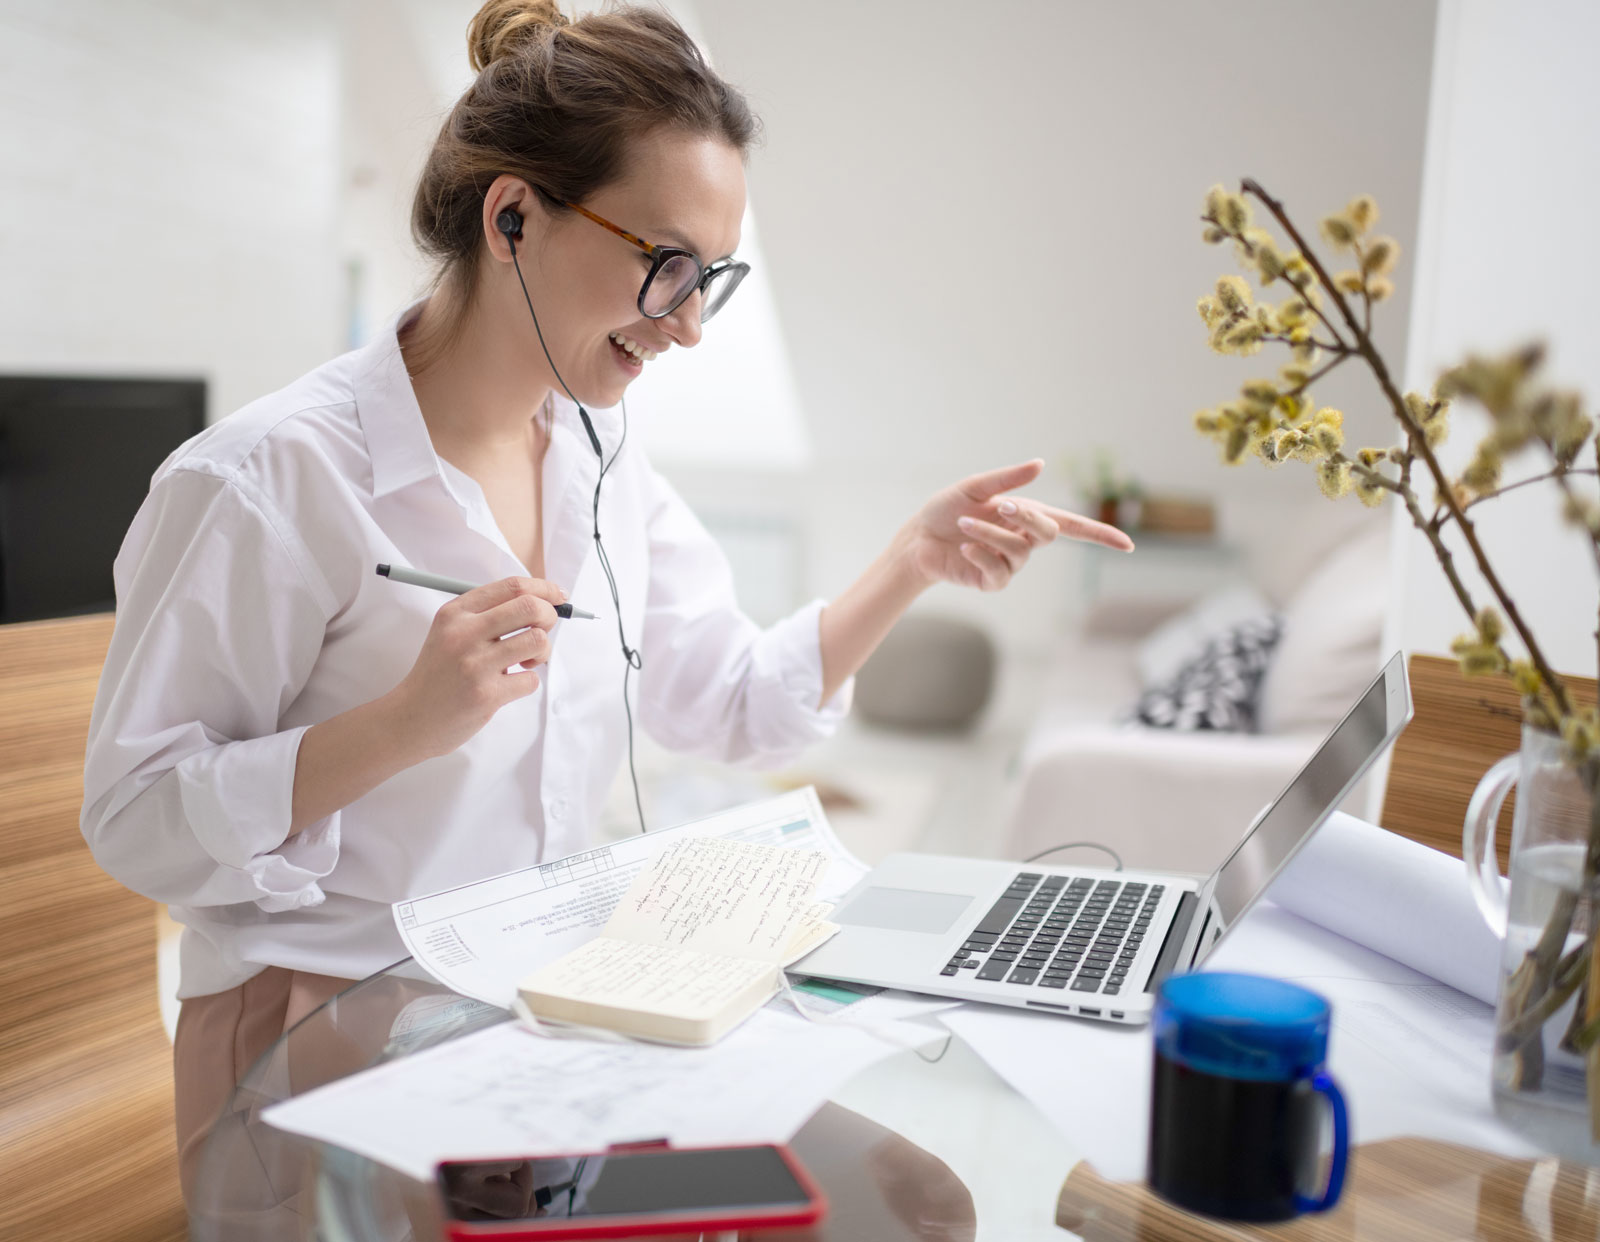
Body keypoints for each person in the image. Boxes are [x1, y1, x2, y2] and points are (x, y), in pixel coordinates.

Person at [81, 0, 1133, 1203]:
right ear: (514, 215)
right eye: (664, 264)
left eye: (713, 279)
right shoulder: (266, 479)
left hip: (535, 1006)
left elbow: (730, 706)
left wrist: (907, 562)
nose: (687, 324)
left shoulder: (599, 453)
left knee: (916, 1201)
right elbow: (133, 818)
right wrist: (402, 725)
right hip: (319, 1017)